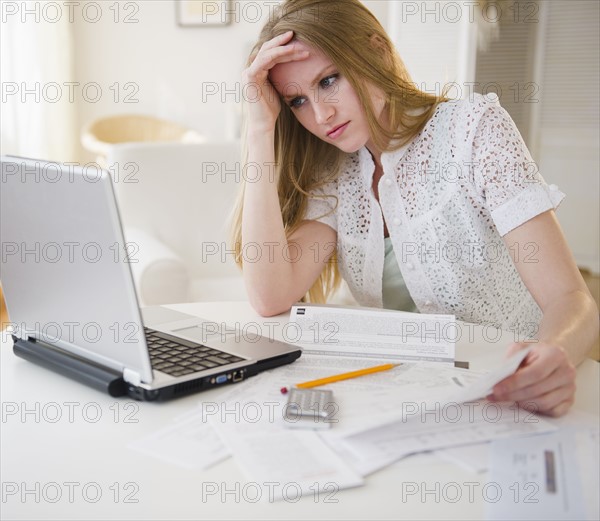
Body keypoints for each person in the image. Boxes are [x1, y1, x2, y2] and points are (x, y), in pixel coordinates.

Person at [230, 0, 598, 417]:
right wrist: (259, 129)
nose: (320, 114)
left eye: (329, 80)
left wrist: (551, 355)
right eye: (296, 101)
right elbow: (269, 296)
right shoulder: (333, 170)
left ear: (377, 52)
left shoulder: (472, 129)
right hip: (408, 401)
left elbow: (572, 299)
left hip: (512, 396)